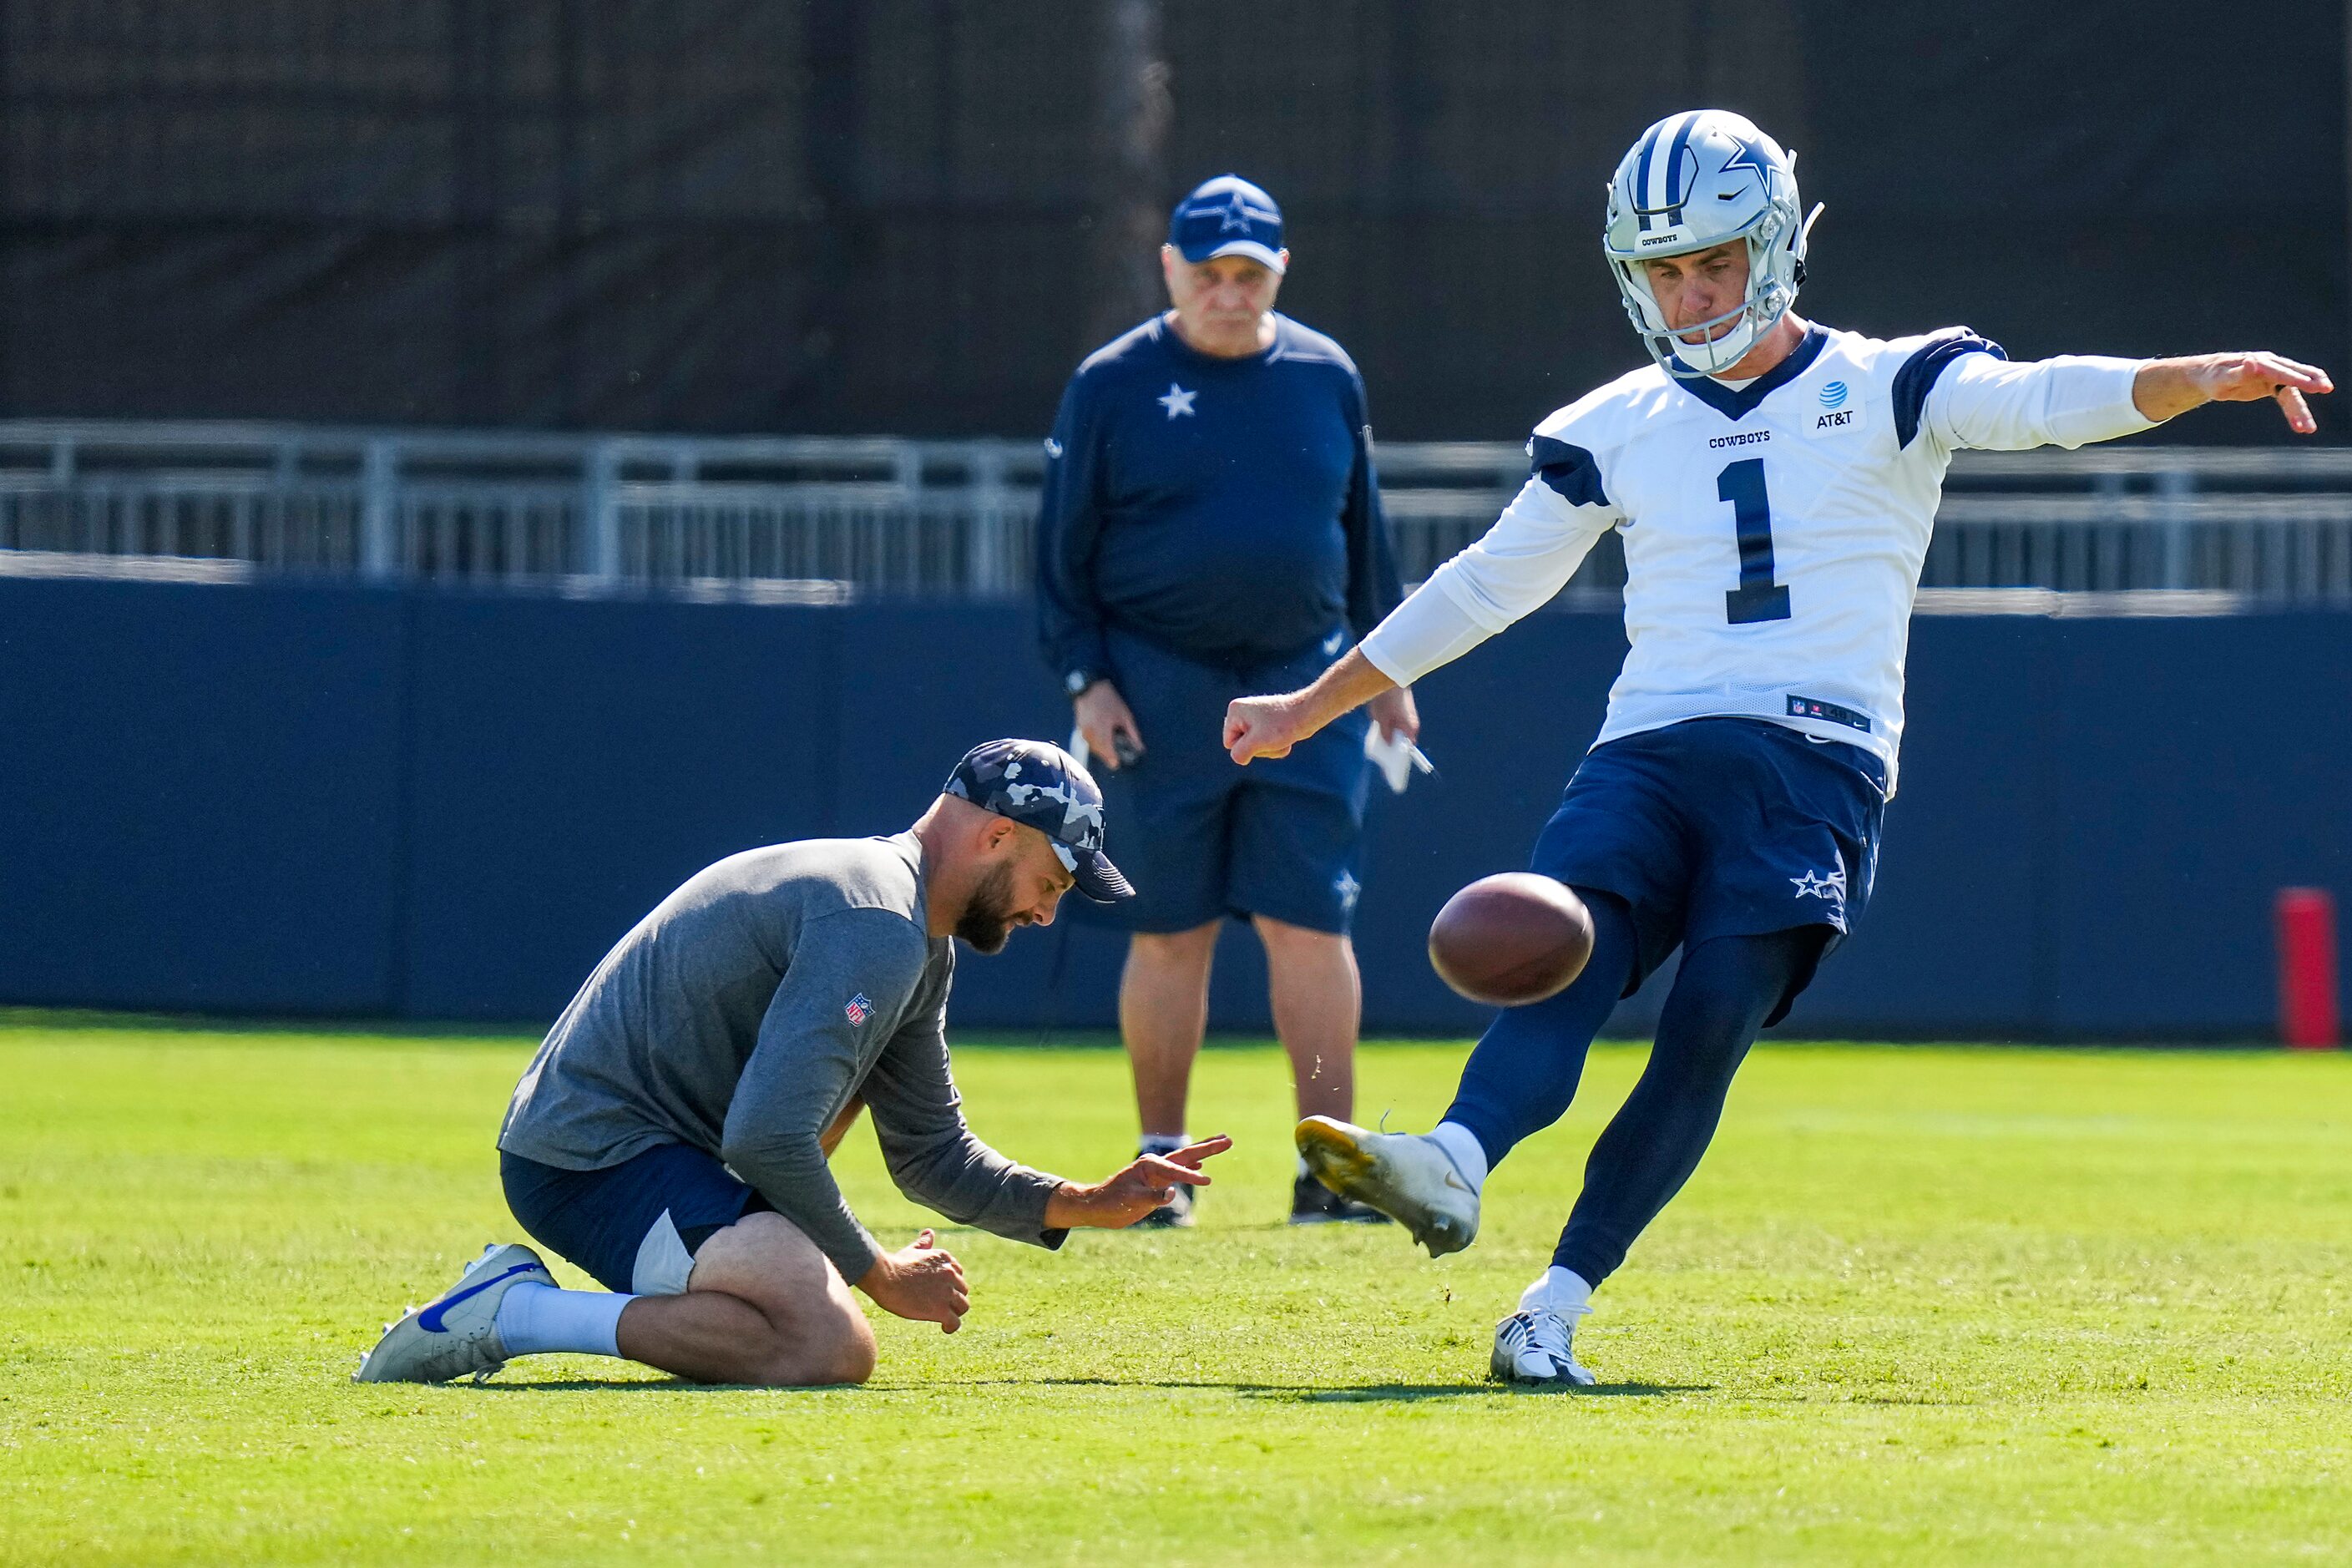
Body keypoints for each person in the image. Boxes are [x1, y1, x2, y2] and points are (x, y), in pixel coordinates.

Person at [1225, 109, 2331, 1385]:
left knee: (1705, 1024)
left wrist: (2191, 375)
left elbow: (2038, 402)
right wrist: (1317, 702)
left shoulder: (1890, 381)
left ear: (1771, 249)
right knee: (1562, 951)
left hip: (1815, 762)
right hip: (1647, 749)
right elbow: (1486, 583)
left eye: (1712, 265)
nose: (1691, 295)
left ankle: (1554, 1304)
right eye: (1664, 272)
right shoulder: (1615, 421)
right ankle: (1457, 1158)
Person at [354, 739, 1231, 1388]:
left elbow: (930, 1150)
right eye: (1057, 879)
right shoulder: (879, 925)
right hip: (590, 1161)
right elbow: (768, 1136)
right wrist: (876, 1271)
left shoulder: (913, 934)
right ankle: (511, 1313)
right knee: (826, 1343)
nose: (1050, 911)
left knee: (801, 1327)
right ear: (999, 835)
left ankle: (519, 1305)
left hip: (644, 1154)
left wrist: (1082, 1201)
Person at [1035, 173, 1415, 1226]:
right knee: (1170, 928)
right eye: (1210, 273)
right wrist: (1088, 679)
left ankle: (1330, 1170)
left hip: (1314, 679)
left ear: (1279, 272)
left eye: (1250, 273)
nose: (1231, 293)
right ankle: (1163, 1170)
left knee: (1311, 924)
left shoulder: (1327, 373)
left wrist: (1390, 676)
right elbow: (1059, 556)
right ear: (1172, 271)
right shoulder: (1111, 384)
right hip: (1158, 688)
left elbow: (1363, 535)